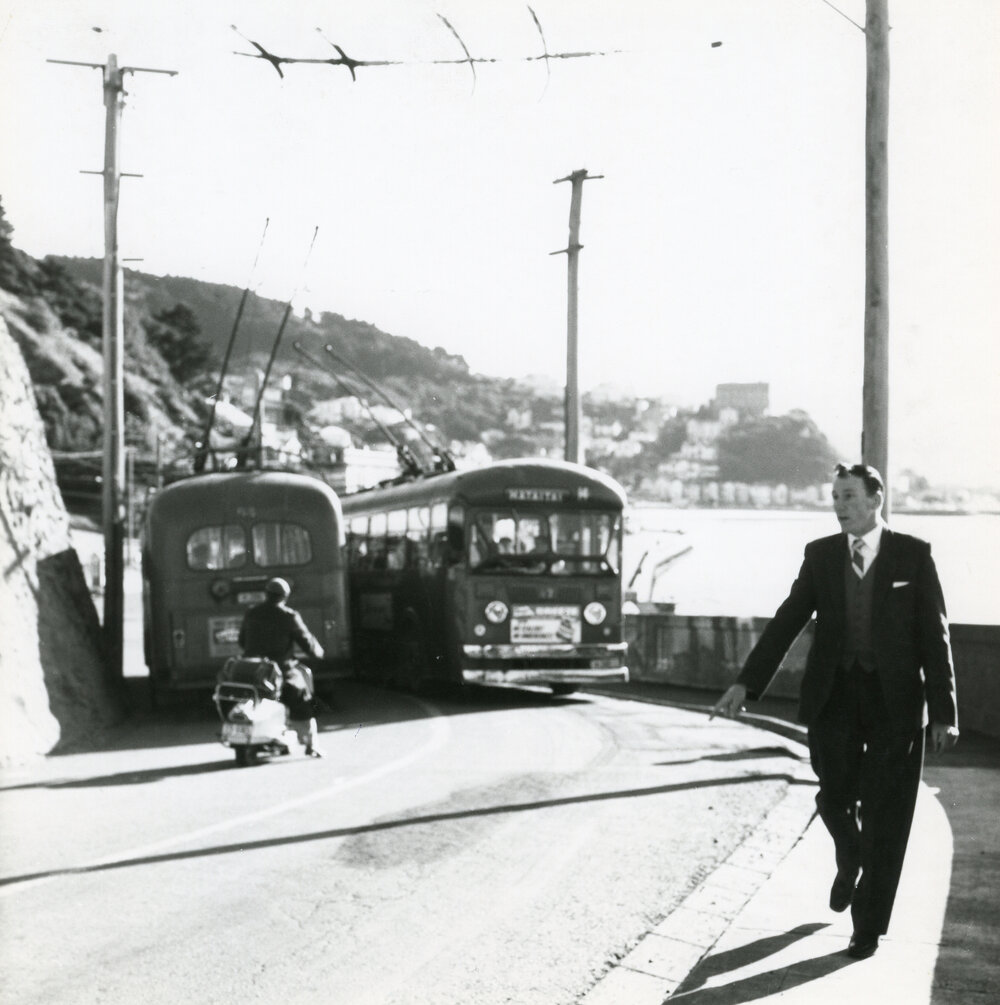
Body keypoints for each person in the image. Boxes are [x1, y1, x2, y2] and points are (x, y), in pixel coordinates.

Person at [712, 463, 958, 960]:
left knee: (888, 816)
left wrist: (945, 711)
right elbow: (787, 621)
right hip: (835, 696)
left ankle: (866, 928)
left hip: (896, 704)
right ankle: (850, 853)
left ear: (875, 499)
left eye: (848, 496)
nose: (839, 505)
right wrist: (746, 682)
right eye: (834, 496)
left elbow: (936, 637)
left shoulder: (913, 555)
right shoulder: (821, 556)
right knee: (834, 796)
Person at [238, 576, 326, 757]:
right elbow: (307, 643)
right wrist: (319, 653)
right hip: (280, 671)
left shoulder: (251, 613)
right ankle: (311, 744)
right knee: (303, 699)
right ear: (285, 596)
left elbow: (242, 641)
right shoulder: (289, 616)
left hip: (252, 670)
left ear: (266, 594)